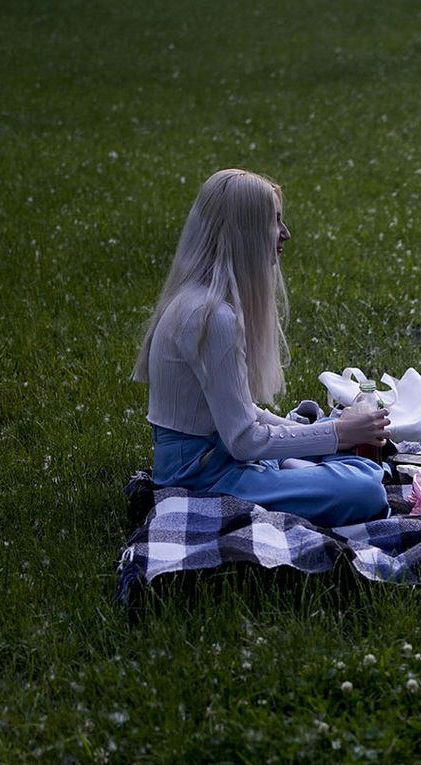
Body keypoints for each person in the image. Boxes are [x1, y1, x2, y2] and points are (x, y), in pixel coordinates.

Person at [132, 168, 389, 527]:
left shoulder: (204, 302)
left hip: (221, 460)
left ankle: (319, 460)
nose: (286, 234)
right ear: (245, 231)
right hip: (205, 478)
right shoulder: (211, 316)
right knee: (365, 490)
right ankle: (330, 462)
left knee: (338, 445)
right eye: (275, 221)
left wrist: (328, 436)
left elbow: (243, 413)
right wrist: (337, 435)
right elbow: (243, 441)